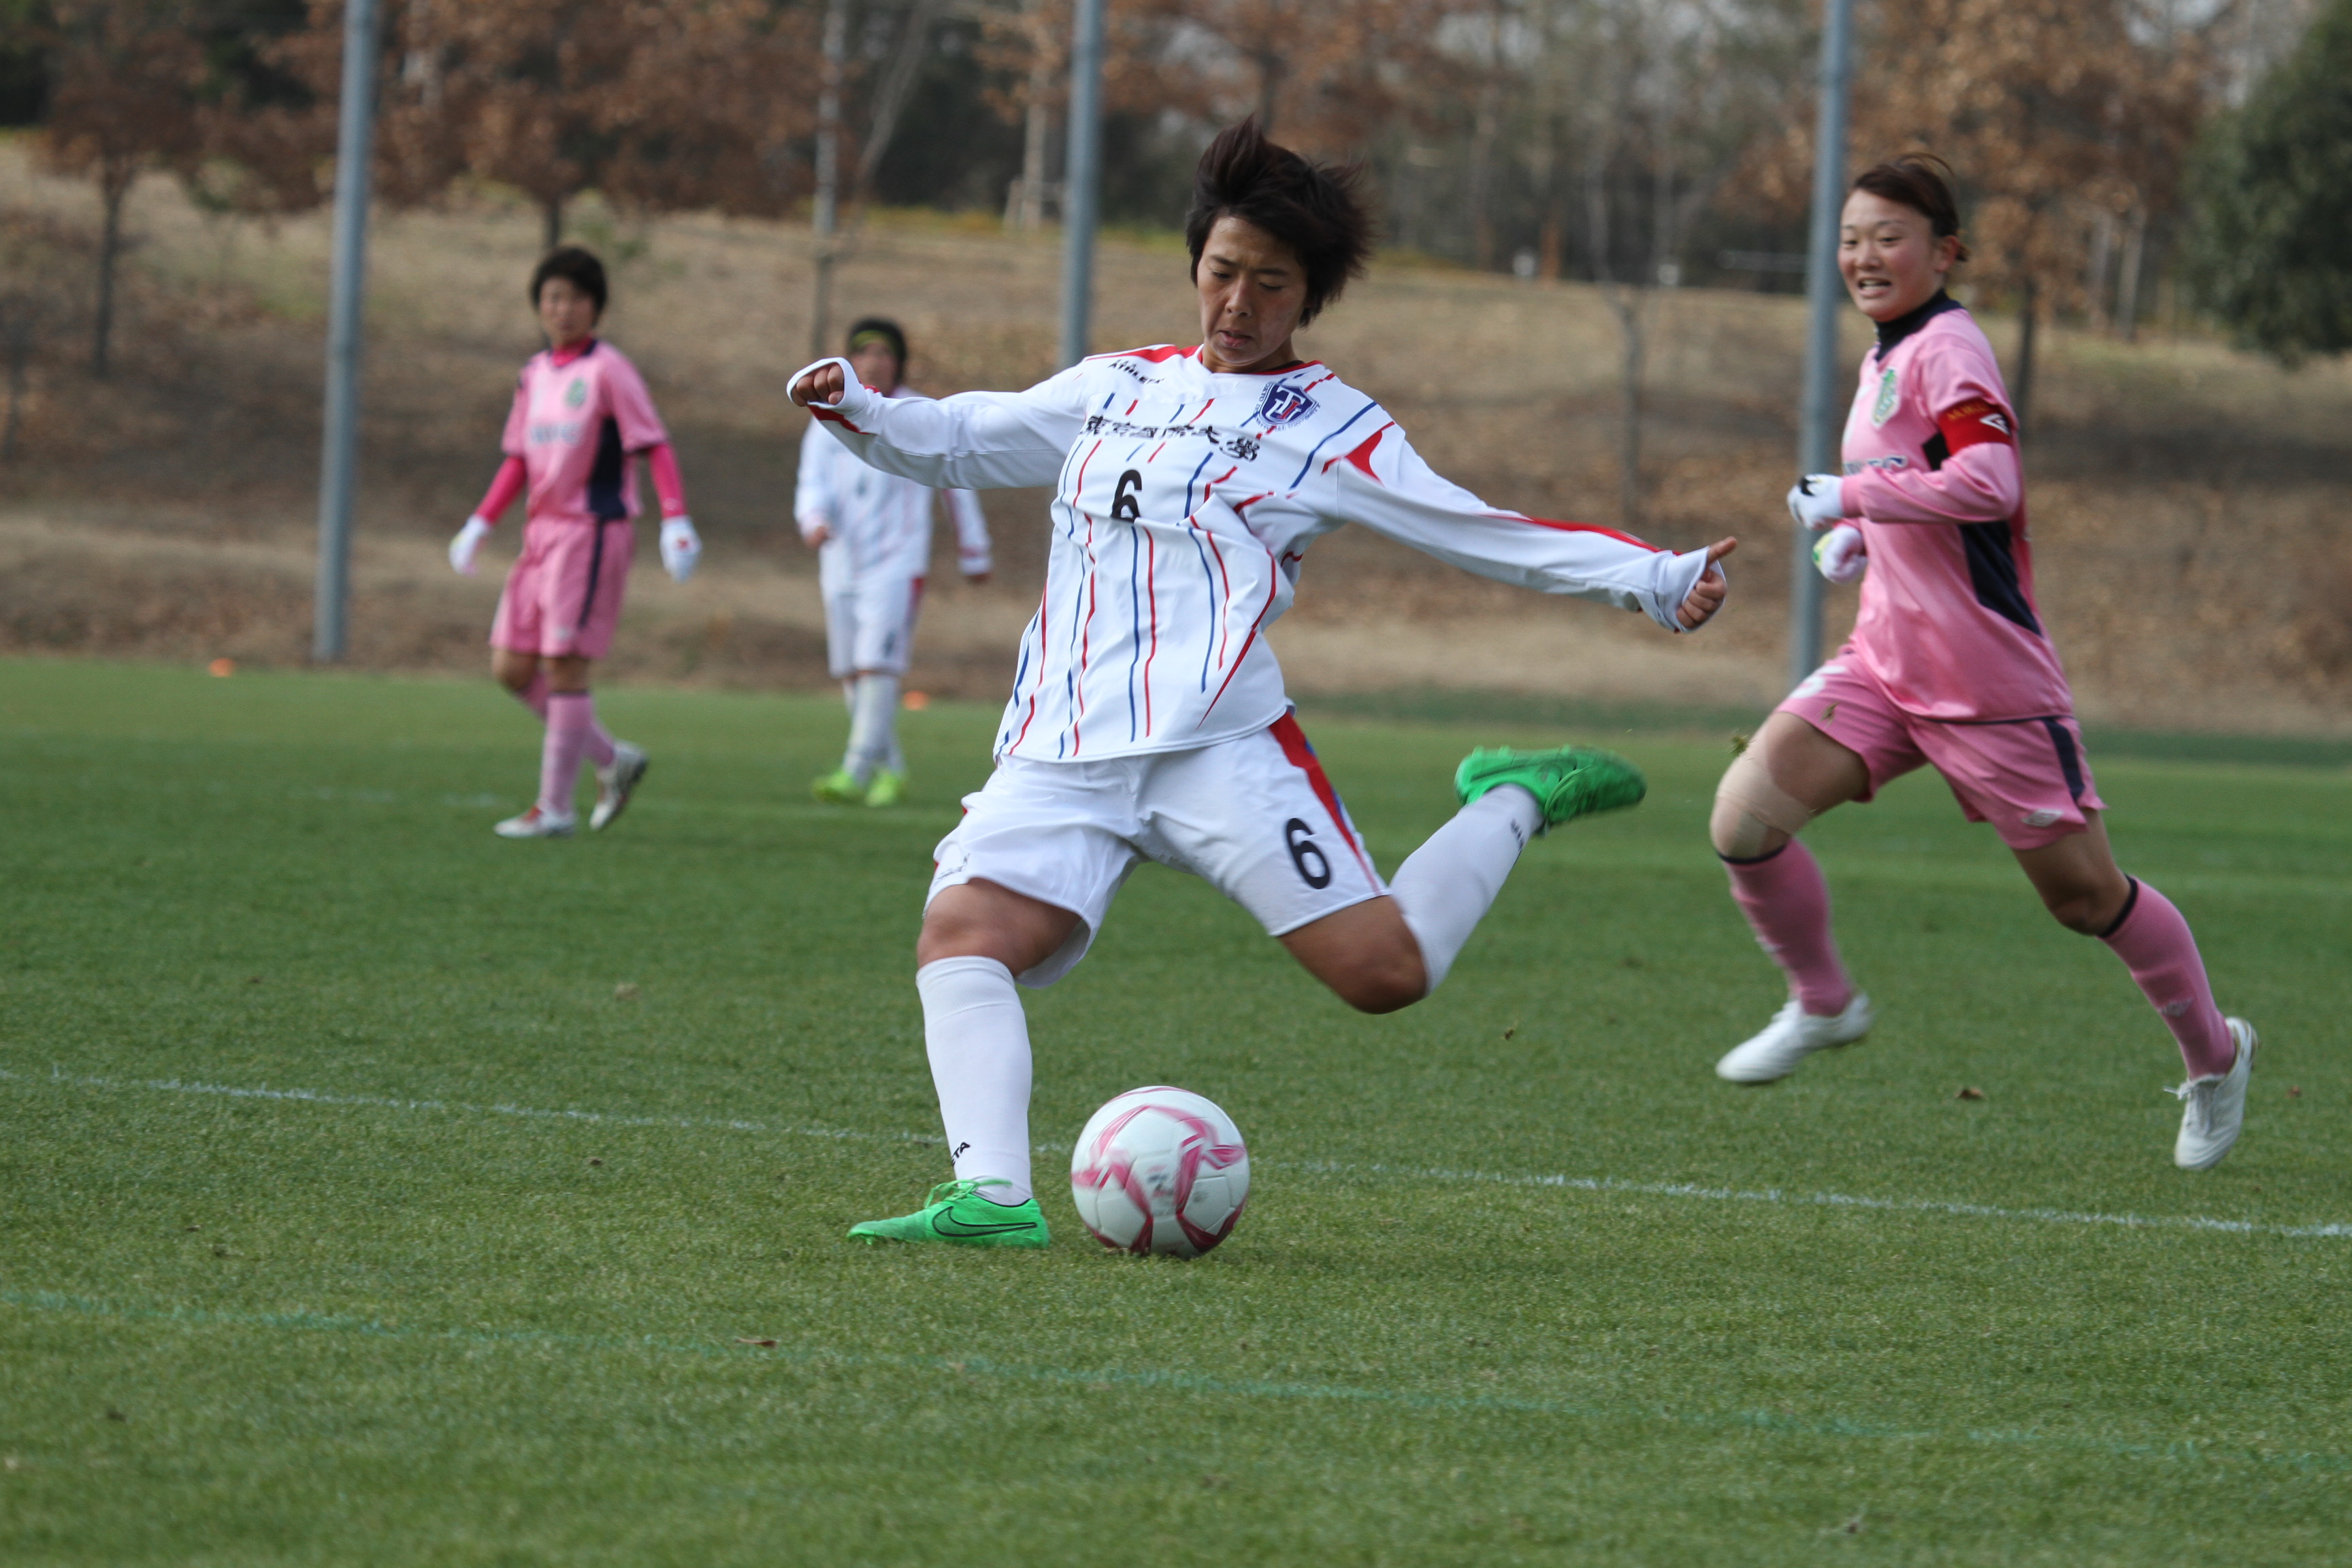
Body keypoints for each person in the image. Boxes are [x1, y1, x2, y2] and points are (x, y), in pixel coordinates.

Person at [787, 120, 1737, 1248]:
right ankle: (993, 1194)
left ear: (1309, 296)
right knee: (962, 935)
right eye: (1221, 271)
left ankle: (1513, 795)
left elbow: (1479, 530)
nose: (1238, 301)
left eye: (1270, 283)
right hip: (1062, 744)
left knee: (1386, 972)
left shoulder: (1333, 427)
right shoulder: (1116, 383)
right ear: (1195, 265)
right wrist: (857, 405)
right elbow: (955, 438)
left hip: (1219, 748)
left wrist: (1653, 576)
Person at [1709, 154, 2255, 1170]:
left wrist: (1856, 500)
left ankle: (2216, 1056)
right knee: (1744, 820)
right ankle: (1824, 1001)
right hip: (1883, 664)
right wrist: (1867, 540)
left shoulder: (1949, 347)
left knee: (2085, 900)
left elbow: (1990, 481)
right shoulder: (1887, 354)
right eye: (1851, 238)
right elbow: (1923, 480)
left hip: (1988, 687)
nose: (1865, 256)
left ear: (1944, 251)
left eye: (1890, 237)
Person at [448, 246, 704, 838]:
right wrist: (481, 521)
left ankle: (554, 809)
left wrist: (676, 519)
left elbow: (653, 444)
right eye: (552, 298)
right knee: (512, 668)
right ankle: (613, 760)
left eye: (574, 298)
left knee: (564, 665)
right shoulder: (534, 375)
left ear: (596, 308)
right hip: (541, 535)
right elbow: (518, 457)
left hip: (591, 534)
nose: (562, 309)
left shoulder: (609, 370)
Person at [796, 318, 994, 807]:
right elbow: (811, 482)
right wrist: (813, 520)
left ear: (898, 362)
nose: (874, 362)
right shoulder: (827, 416)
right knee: (851, 672)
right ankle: (892, 771)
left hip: (897, 562)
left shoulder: (916, 412)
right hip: (841, 559)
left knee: (876, 666)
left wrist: (975, 549)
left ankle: (855, 770)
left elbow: (955, 477)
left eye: (885, 353)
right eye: (864, 352)